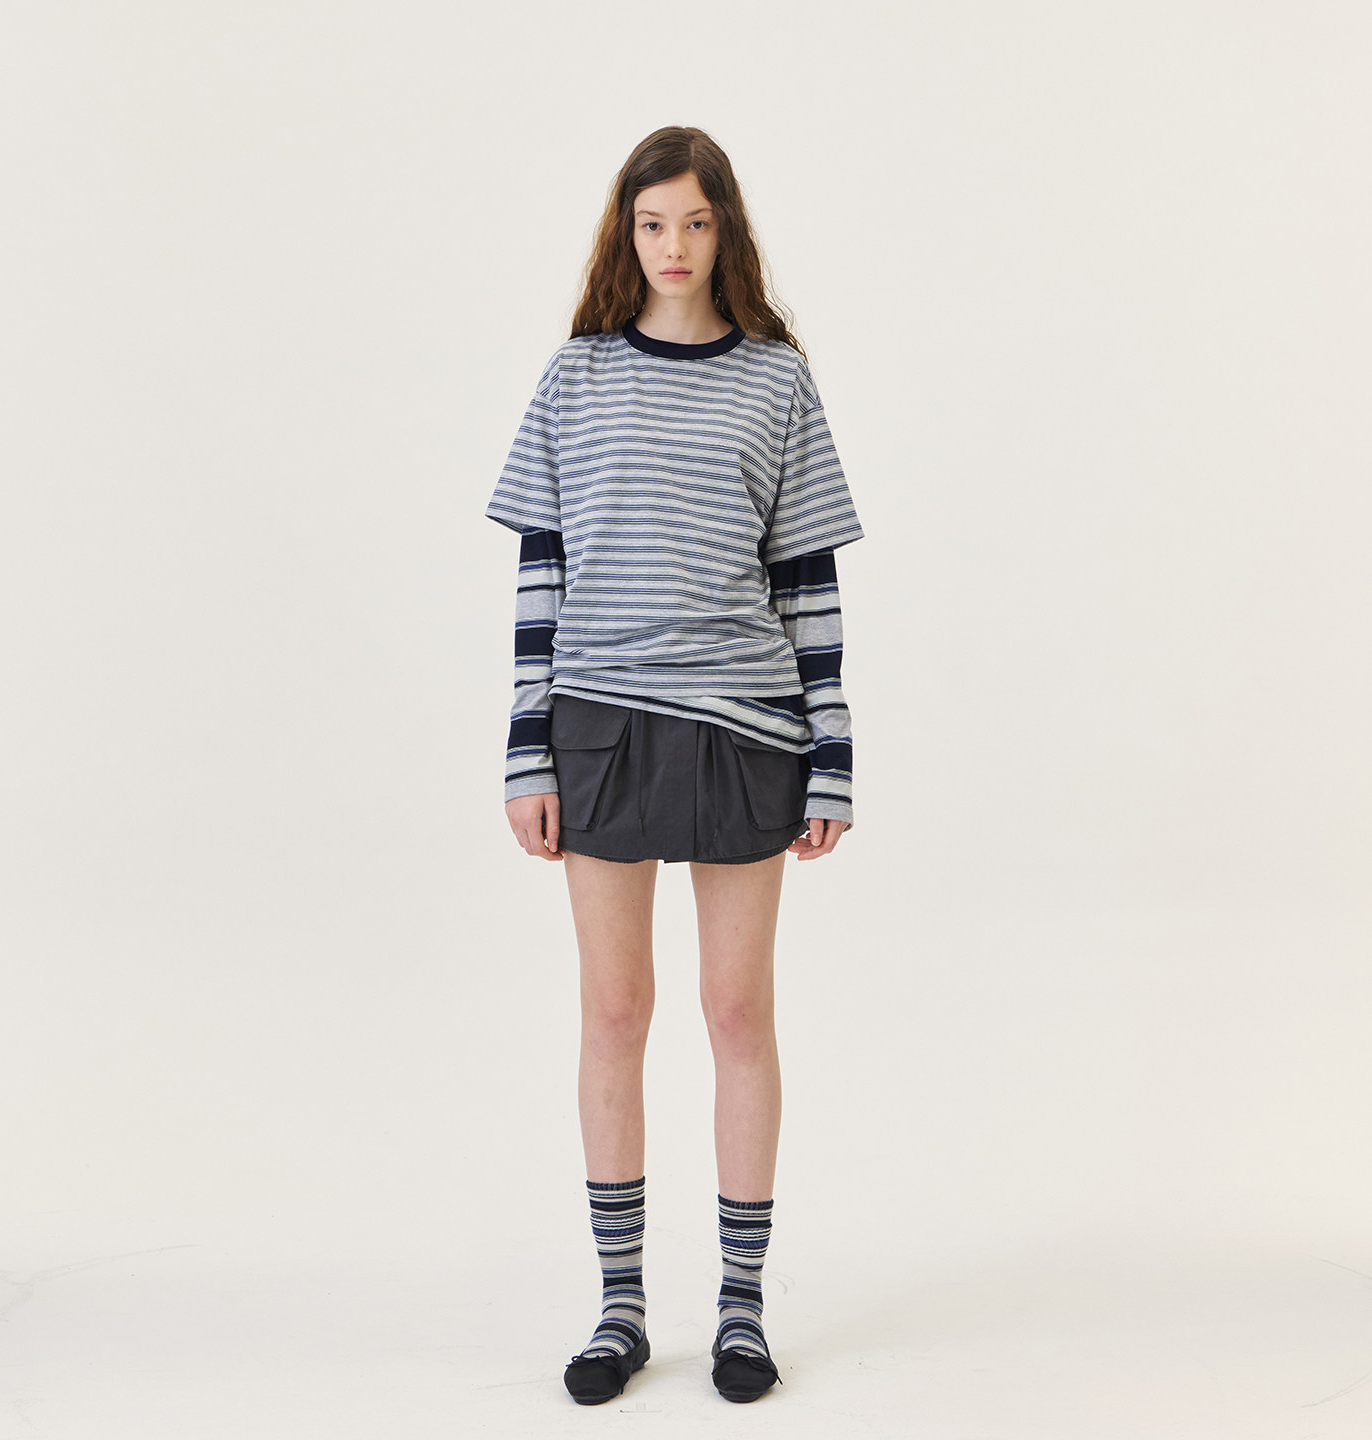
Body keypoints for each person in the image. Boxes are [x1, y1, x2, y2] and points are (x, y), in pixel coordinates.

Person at [484, 125, 863, 1406]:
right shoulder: (576, 377)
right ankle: (620, 1309)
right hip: (597, 724)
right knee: (614, 1014)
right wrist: (526, 751)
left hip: (747, 726)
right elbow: (540, 579)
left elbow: (808, 586)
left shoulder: (776, 381)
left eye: (696, 223)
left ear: (725, 230)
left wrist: (832, 755)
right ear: (626, 233)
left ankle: (742, 1311)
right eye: (653, 224)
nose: (675, 247)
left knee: (737, 1014)